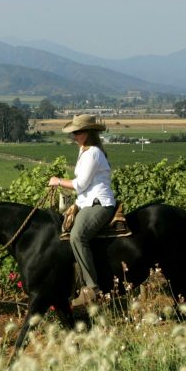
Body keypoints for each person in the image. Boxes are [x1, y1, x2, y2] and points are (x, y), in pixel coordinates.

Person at [48, 114, 116, 307]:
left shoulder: (93, 152)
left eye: (77, 132)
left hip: (99, 204)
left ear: (89, 132)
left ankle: (92, 288)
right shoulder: (84, 151)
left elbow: (81, 184)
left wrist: (58, 181)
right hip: (87, 202)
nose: (74, 136)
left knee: (77, 236)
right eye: (73, 132)